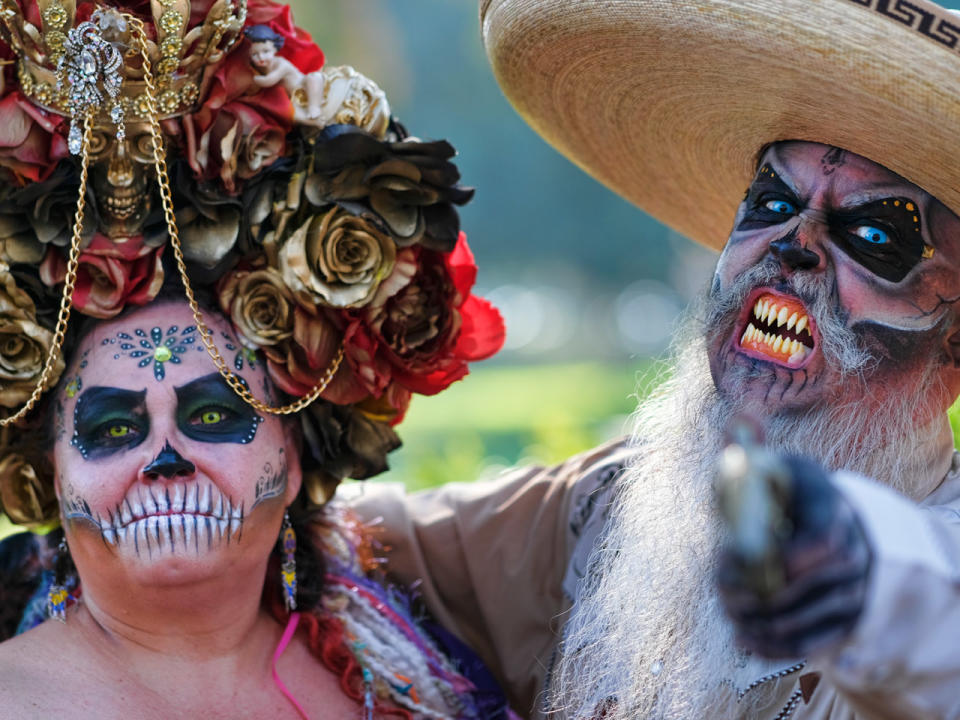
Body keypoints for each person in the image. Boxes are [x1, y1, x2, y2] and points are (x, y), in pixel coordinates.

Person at [347, 0, 960, 718]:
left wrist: (855, 566)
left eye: (875, 237)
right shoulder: (607, 509)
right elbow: (349, 538)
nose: (795, 244)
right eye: (769, 203)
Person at [0, 2, 510, 718]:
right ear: (52, 475)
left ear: (294, 454)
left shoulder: (404, 674)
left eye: (213, 414)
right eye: (113, 429)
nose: (164, 457)